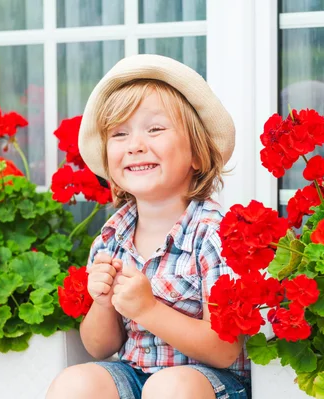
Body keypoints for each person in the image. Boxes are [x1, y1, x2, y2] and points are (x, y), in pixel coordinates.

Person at [46, 54, 251, 399]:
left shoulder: (214, 234)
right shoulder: (112, 238)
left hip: (209, 382)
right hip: (135, 374)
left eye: (155, 129)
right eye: (120, 134)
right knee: (74, 384)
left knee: (169, 388)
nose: (135, 145)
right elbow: (100, 347)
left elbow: (225, 348)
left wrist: (148, 309)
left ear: (197, 155)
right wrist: (102, 303)